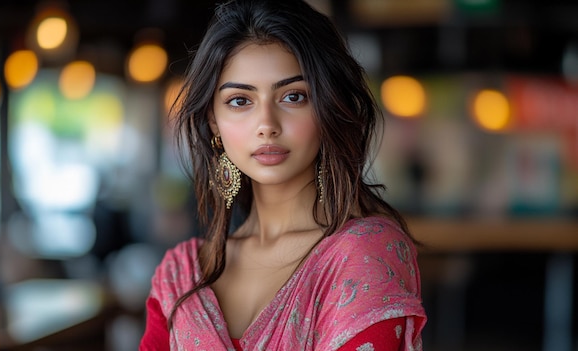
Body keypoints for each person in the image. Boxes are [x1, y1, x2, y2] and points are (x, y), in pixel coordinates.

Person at [140, 0, 427, 350]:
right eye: (240, 101)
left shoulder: (362, 253)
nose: (266, 126)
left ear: (328, 108)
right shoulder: (181, 278)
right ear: (213, 119)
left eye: (293, 96)